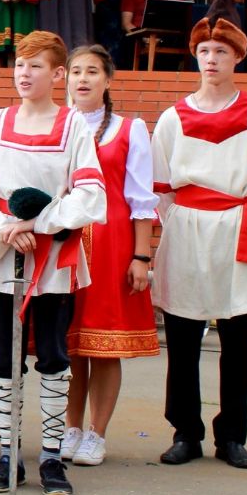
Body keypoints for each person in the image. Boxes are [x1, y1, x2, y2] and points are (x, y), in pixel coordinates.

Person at [0, 31, 105, 495]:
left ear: (58, 74)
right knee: (5, 358)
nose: (24, 73)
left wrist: (37, 224)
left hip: (54, 261)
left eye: (36, 66)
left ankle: (49, 458)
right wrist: (6, 226)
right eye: (20, 64)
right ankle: (9, 455)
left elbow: (89, 193)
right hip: (5, 258)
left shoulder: (73, 127)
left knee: (52, 356)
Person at [150, 0, 247, 470]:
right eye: (205, 51)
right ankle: (186, 431)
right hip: (186, 228)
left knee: (237, 340)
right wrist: (186, 221)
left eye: (221, 52)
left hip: (238, 228)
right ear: (195, 54)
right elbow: (162, 188)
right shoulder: (171, 118)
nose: (212, 59)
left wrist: (241, 222)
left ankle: (232, 436)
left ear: (237, 57)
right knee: (183, 340)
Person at [62, 45, 159, 467]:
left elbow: (141, 199)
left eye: (92, 72)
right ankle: (68, 427)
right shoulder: (56, 125)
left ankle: (97, 433)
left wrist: (141, 256)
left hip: (111, 242)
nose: (82, 80)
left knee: (104, 344)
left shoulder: (129, 129)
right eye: (76, 71)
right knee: (68, 345)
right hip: (64, 242)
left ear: (108, 80)